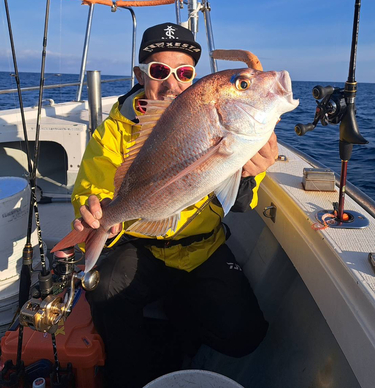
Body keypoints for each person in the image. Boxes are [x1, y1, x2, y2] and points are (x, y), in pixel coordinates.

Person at [70, 23, 278, 388]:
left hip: (201, 248)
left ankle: (179, 315)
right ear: (140, 74)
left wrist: (247, 174)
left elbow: (239, 203)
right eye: (158, 71)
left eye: (184, 73)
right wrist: (97, 211)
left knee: (245, 335)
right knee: (103, 290)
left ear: (195, 79)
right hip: (141, 245)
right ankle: (130, 374)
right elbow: (95, 187)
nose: (171, 83)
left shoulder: (228, 127)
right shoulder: (116, 129)